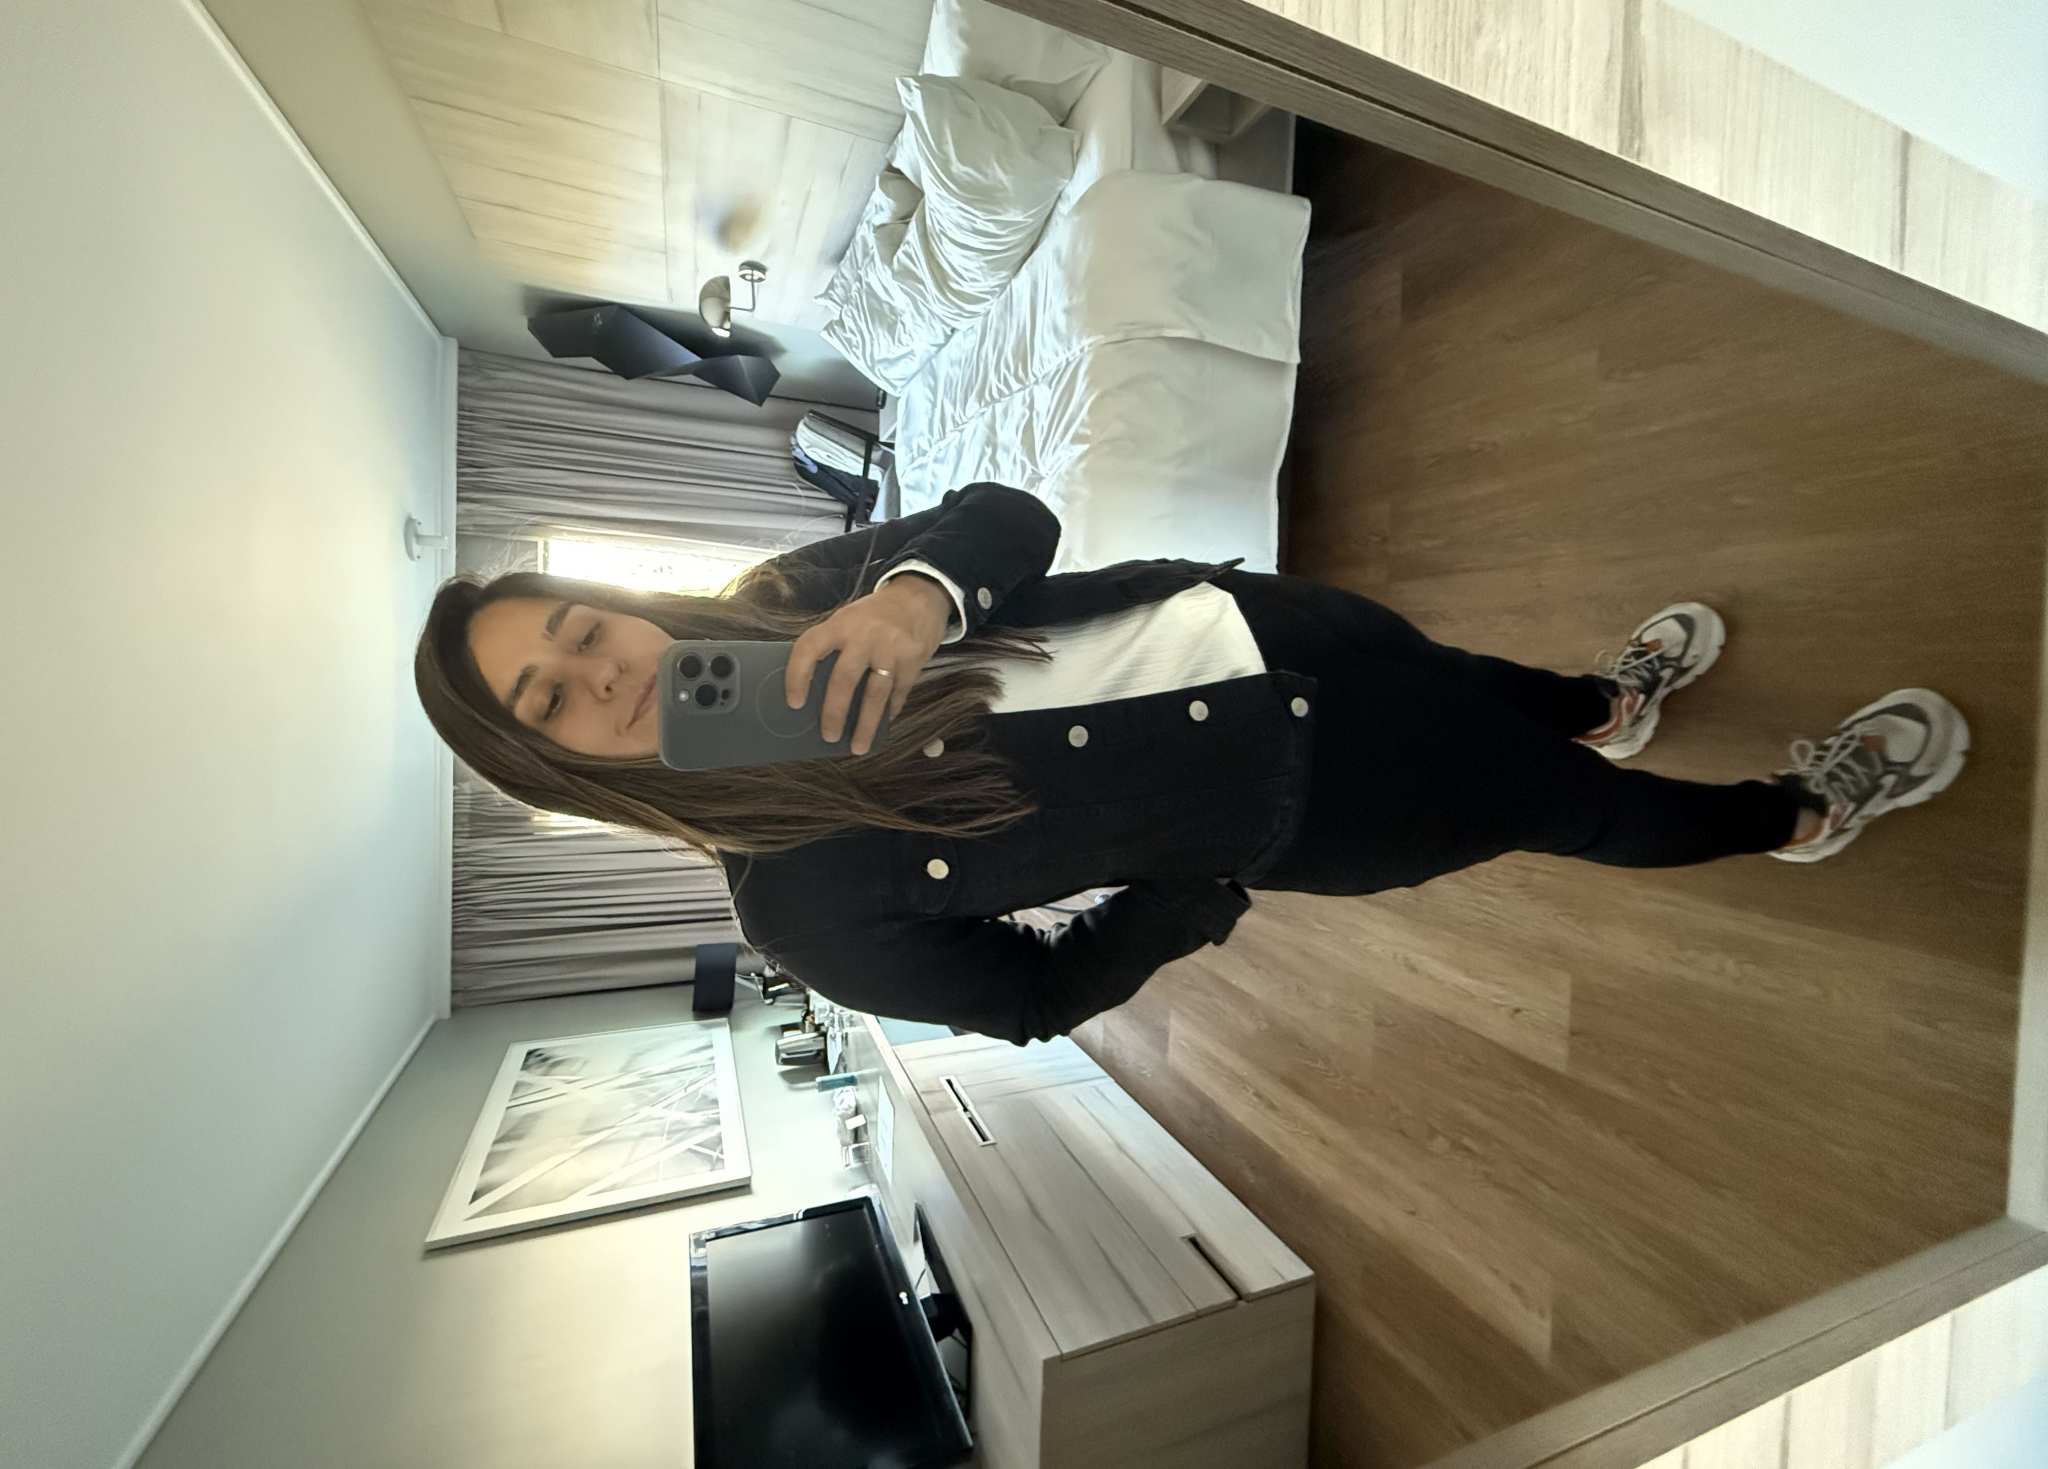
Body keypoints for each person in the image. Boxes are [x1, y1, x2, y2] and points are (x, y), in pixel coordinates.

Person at [415, 483, 1968, 1046]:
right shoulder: (794, 907)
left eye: (578, 626)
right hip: (1305, 801)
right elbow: (1022, 1001)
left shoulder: (784, 598)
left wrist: (915, 597)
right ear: (561, 766)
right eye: (553, 699)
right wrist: (1194, 883)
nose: (600, 672)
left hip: (1249, 619)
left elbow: (1010, 519)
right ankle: (1797, 813)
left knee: (1466, 678)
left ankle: (1597, 698)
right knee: (1584, 817)